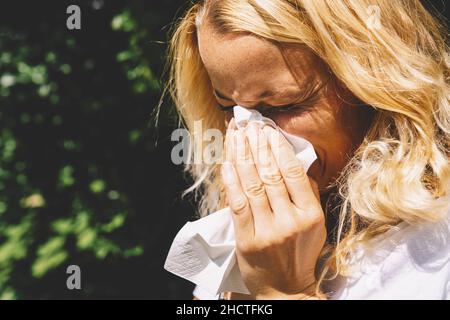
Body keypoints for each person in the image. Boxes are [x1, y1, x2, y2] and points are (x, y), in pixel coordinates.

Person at [164, 0, 450, 299]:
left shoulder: (433, 247)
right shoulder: (250, 232)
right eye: (228, 107)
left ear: (373, 83)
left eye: (284, 105)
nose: (249, 132)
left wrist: (285, 290)